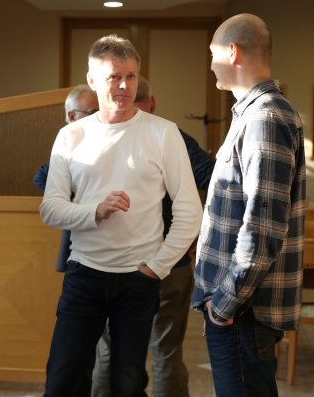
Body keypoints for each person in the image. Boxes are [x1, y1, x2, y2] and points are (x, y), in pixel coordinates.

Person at [40, 34, 203, 396]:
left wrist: (158, 266)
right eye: (114, 77)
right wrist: (94, 211)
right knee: (62, 379)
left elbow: (190, 211)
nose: (125, 86)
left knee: (128, 384)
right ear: (93, 80)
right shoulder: (71, 136)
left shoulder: (164, 133)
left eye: (131, 76)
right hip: (84, 274)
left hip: (138, 279)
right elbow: (50, 209)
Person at [191, 13, 306, 397]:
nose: (210, 64)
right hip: (238, 311)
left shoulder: (265, 118)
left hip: (243, 312)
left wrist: (224, 303)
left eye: (212, 54)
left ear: (232, 52)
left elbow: (263, 227)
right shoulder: (252, 115)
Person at [91, 75, 215, 397]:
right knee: (166, 350)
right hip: (170, 260)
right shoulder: (172, 136)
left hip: (113, 259)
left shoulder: (98, 134)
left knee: (109, 349)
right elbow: (214, 178)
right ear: (154, 102)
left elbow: (50, 178)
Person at [33, 84, 99, 271]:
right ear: (72, 116)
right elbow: (41, 175)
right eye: (93, 112)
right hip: (77, 241)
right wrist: (74, 199)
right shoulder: (67, 143)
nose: (99, 117)